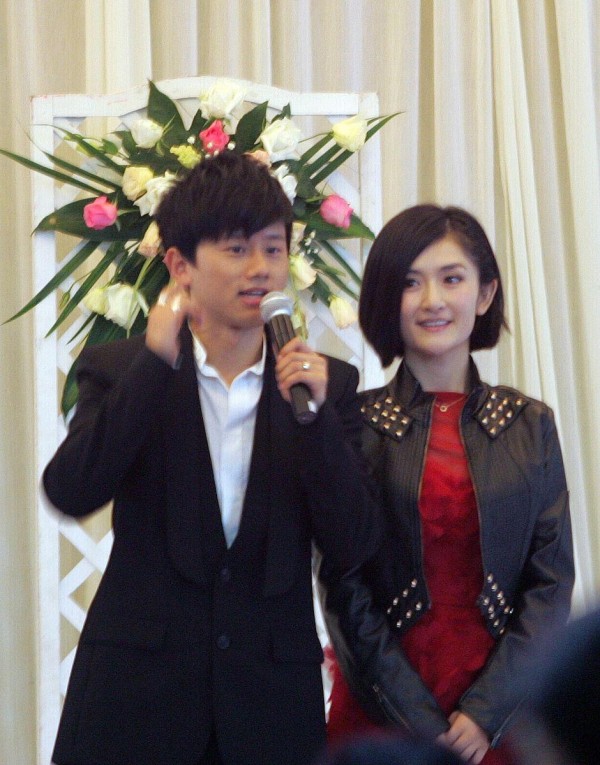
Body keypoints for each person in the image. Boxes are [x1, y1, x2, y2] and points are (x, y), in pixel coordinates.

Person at [43, 151, 380, 765]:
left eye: (273, 248)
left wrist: (317, 422)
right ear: (180, 266)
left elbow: (354, 542)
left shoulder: (325, 387)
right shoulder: (123, 369)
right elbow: (71, 489)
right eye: (236, 249)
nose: (261, 269)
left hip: (269, 709)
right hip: (136, 704)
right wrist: (154, 363)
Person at [318, 204, 574, 764]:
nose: (432, 300)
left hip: (506, 714)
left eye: (451, 278)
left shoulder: (531, 424)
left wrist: (485, 715)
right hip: (382, 711)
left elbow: (551, 583)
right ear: (387, 299)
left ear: (485, 294)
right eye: (410, 283)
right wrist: (419, 724)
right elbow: (343, 587)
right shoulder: (353, 425)